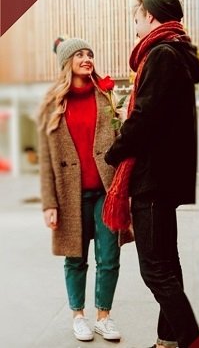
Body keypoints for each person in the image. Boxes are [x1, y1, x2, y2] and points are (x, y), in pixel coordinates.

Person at [103, 0, 199, 348]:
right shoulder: (175, 52)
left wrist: (115, 152)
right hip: (164, 176)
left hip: (152, 178)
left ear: (149, 17)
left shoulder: (160, 54)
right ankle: (168, 341)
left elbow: (145, 117)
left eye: (135, 19)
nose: (134, 27)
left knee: (156, 270)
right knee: (168, 266)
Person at [38, 36, 127, 342]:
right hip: (69, 193)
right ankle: (79, 316)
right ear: (67, 62)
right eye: (80, 55)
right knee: (75, 257)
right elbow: (46, 159)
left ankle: (104, 316)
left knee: (109, 256)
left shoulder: (106, 97)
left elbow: (120, 140)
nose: (87, 58)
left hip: (106, 190)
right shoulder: (53, 103)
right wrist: (49, 204)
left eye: (90, 53)